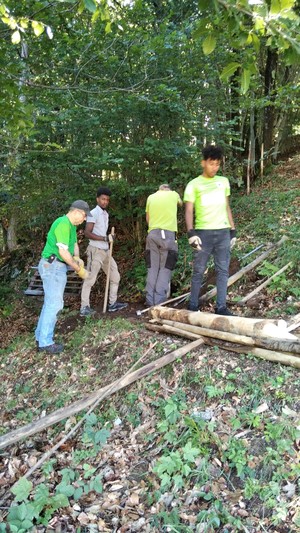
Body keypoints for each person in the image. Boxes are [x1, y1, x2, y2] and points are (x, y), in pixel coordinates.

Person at [184, 145, 236, 315]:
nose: (214, 167)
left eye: (217, 164)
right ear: (203, 163)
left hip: (222, 232)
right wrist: (191, 233)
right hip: (203, 233)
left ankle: (221, 307)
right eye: (211, 163)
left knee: (223, 270)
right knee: (199, 270)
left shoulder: (224, 182)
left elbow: (227, 207)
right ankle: (193, 305)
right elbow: (189, 210)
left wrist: (232, 230)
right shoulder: (193, 184)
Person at [35, 200, 91, 354]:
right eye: (84, 216)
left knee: (50, 303)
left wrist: (78, 257)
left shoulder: (71, 227)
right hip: (52, 266)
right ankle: (45, 343)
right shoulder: (63, 223)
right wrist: (78, 268)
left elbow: (73, 245)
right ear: (77, 212)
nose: (84, 219)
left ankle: (40, 338)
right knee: (55, 304)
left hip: (55, 267)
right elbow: (63, 252)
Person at [80, 187, 128, 316]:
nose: (105, 201)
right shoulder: (93, 213)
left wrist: (108, 238)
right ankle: (84, 307)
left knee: (115, 276)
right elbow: (87, 233)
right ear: (97, 199)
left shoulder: (105, 214)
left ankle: (112, 304)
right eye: (103, 199)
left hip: (106, 250)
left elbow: (101, 232)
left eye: (107, 199)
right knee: (90, 278)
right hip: (95, 250)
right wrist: (105, 238)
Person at [145, 184, 182, 306]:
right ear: (168, 189)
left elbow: (148, 218)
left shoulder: (151, 197)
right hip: (167, 235)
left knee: (152, 268)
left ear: (159, 189)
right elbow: (181, 204)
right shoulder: (174, 194)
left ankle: (150, 301)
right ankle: (159, 302)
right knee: (165, 268)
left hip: (152, 235)